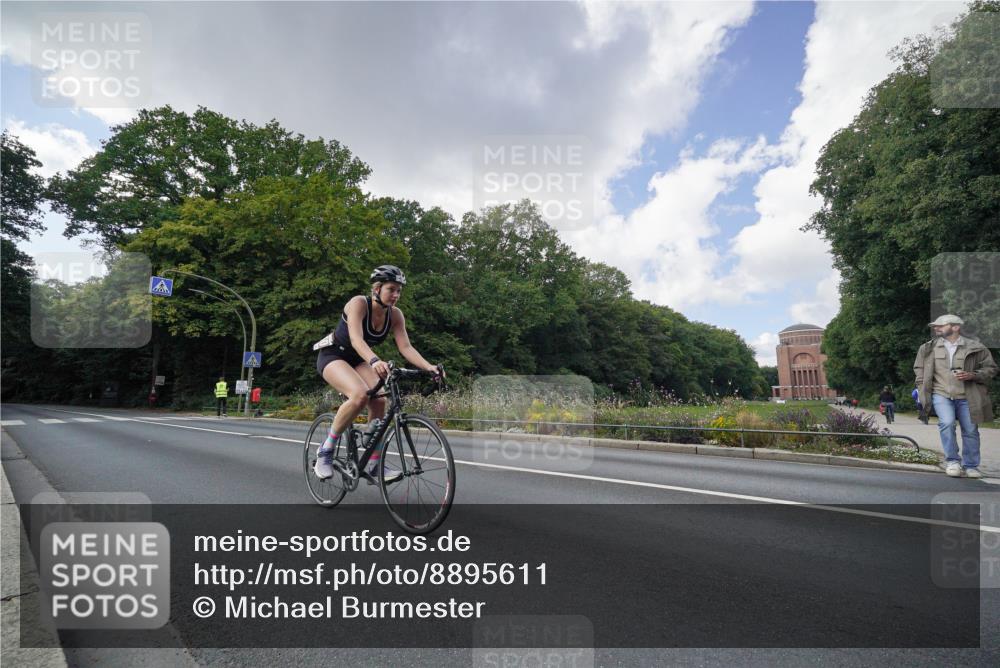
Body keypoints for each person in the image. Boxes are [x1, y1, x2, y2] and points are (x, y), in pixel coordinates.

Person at [313, 265, 443, 484]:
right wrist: (374, 361)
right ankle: (325, 450)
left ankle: (374, 465)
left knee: (380, 400)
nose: (396, 295)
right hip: (333, 355)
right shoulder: (358, 304)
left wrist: (429, 367)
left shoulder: (395, 315)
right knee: (360, 395)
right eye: (391, 289)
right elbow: (356, 339)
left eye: (399, 290)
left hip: (358, 360)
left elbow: (406, 347)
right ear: (377, 288)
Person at [914, 314, 997, 478]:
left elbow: (991, 368)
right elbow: (919, 368)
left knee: (970, 430)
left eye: (940, 325)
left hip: (968, 396)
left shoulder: (976, 347)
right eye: (935, 326)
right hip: (941, 394)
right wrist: (921, 385)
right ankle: (952, 461)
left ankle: (971, 466)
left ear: (956, 327)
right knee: (947, 423)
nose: (936, 328)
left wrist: (973, 375)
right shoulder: (928, 348)